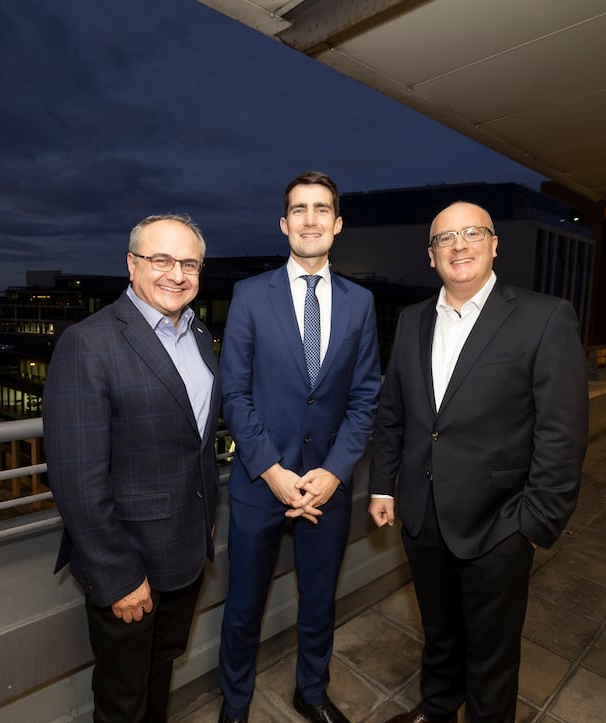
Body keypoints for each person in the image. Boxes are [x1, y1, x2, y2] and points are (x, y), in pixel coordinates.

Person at [368, 201, 589, 723]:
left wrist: (535, 524)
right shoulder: (412, 319)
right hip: (422, 515)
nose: (459, 245)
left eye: (471, 233)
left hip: (500, 523)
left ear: (494, 244)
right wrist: (383, 486)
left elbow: (562, 433)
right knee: (439, 632)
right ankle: (438, 707)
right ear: (431, 256)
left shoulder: (544, 316)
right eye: (445, 238)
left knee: (491, 651)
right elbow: (392, 411)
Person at [43, 214, 221, 723]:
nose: (176, 273)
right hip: (129, 561)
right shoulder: (89, 343)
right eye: (160, 259)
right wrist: (118, 575)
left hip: (185, 549)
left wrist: (207, 510)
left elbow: (198, 441)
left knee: (160, 672)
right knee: (122, 699)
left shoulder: (200, 334)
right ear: (131, 264)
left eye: (189, 263)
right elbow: (77, 478)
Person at [218, 171, 381, 723]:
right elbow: (234, 394)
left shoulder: (361, 304)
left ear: (337, 224)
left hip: (328, 487)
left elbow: (364, 399)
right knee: (243, 608)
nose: (310, 219)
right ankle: (234, 707)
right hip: (261, 483)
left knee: (318, 603)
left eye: (321, 209)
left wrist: (334, 473)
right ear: (284, 224)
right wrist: (272, 470)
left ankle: (310, 693)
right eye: (298, 209)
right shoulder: (248, 295)